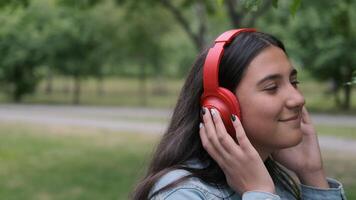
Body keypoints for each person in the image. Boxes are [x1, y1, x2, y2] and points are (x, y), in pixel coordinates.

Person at [131, 29, 347, 200]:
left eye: (294, 82)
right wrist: (260, 193)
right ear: (222, 107)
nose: (298, 99)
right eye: (272, 87)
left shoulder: (276, 183)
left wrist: (313, 175)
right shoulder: (183, 194)